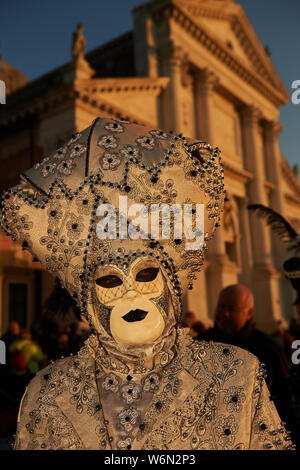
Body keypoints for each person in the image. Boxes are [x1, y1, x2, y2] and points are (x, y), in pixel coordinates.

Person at [0, 117, 294, 450]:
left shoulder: (236, 373)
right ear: (89, 301)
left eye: (145, 274)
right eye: (110, 279)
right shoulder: (48, 391)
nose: (131, 292)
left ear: (171, 283)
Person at [195, 284, 293, 435]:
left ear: (249, 313)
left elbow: (284, 400)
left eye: (233, 309)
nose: (225, 314)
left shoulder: (268, 350)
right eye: (221, 307)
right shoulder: (199, 345)